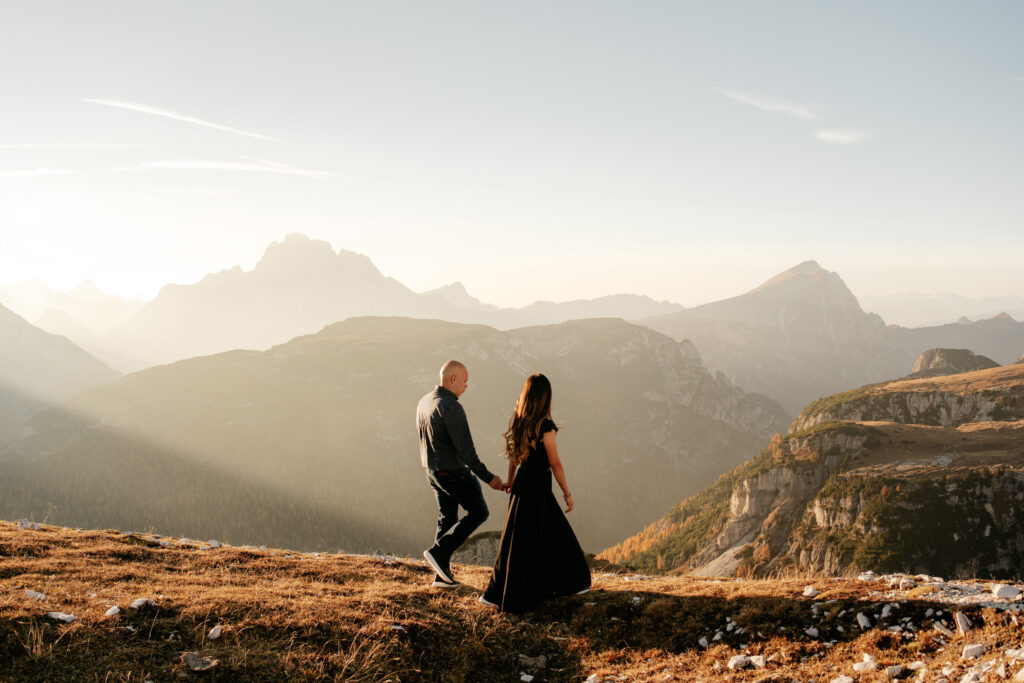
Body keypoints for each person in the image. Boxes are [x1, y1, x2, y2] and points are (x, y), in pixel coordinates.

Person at [480, 373, 591, 612]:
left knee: (518, 539)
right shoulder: (545, 427)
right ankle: (568, 582)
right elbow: (555, 463)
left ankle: (499, 591)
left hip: (522, 486)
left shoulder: (520, 422)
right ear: (545, 398)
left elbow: (514, 457)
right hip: (540, 487)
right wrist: (567, 493)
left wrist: (510, 481)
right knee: (556, 536)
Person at [417, 360, 505, 588]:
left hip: (432, 471)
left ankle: (441, 575)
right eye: (465, 380)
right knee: (478, 512)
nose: (467, 385)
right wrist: (489, 478)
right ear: (452, 379)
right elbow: (467, 452)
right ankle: (439, 551)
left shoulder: (425, 401)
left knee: (447, 518)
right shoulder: (451, 407)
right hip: (452, 472)